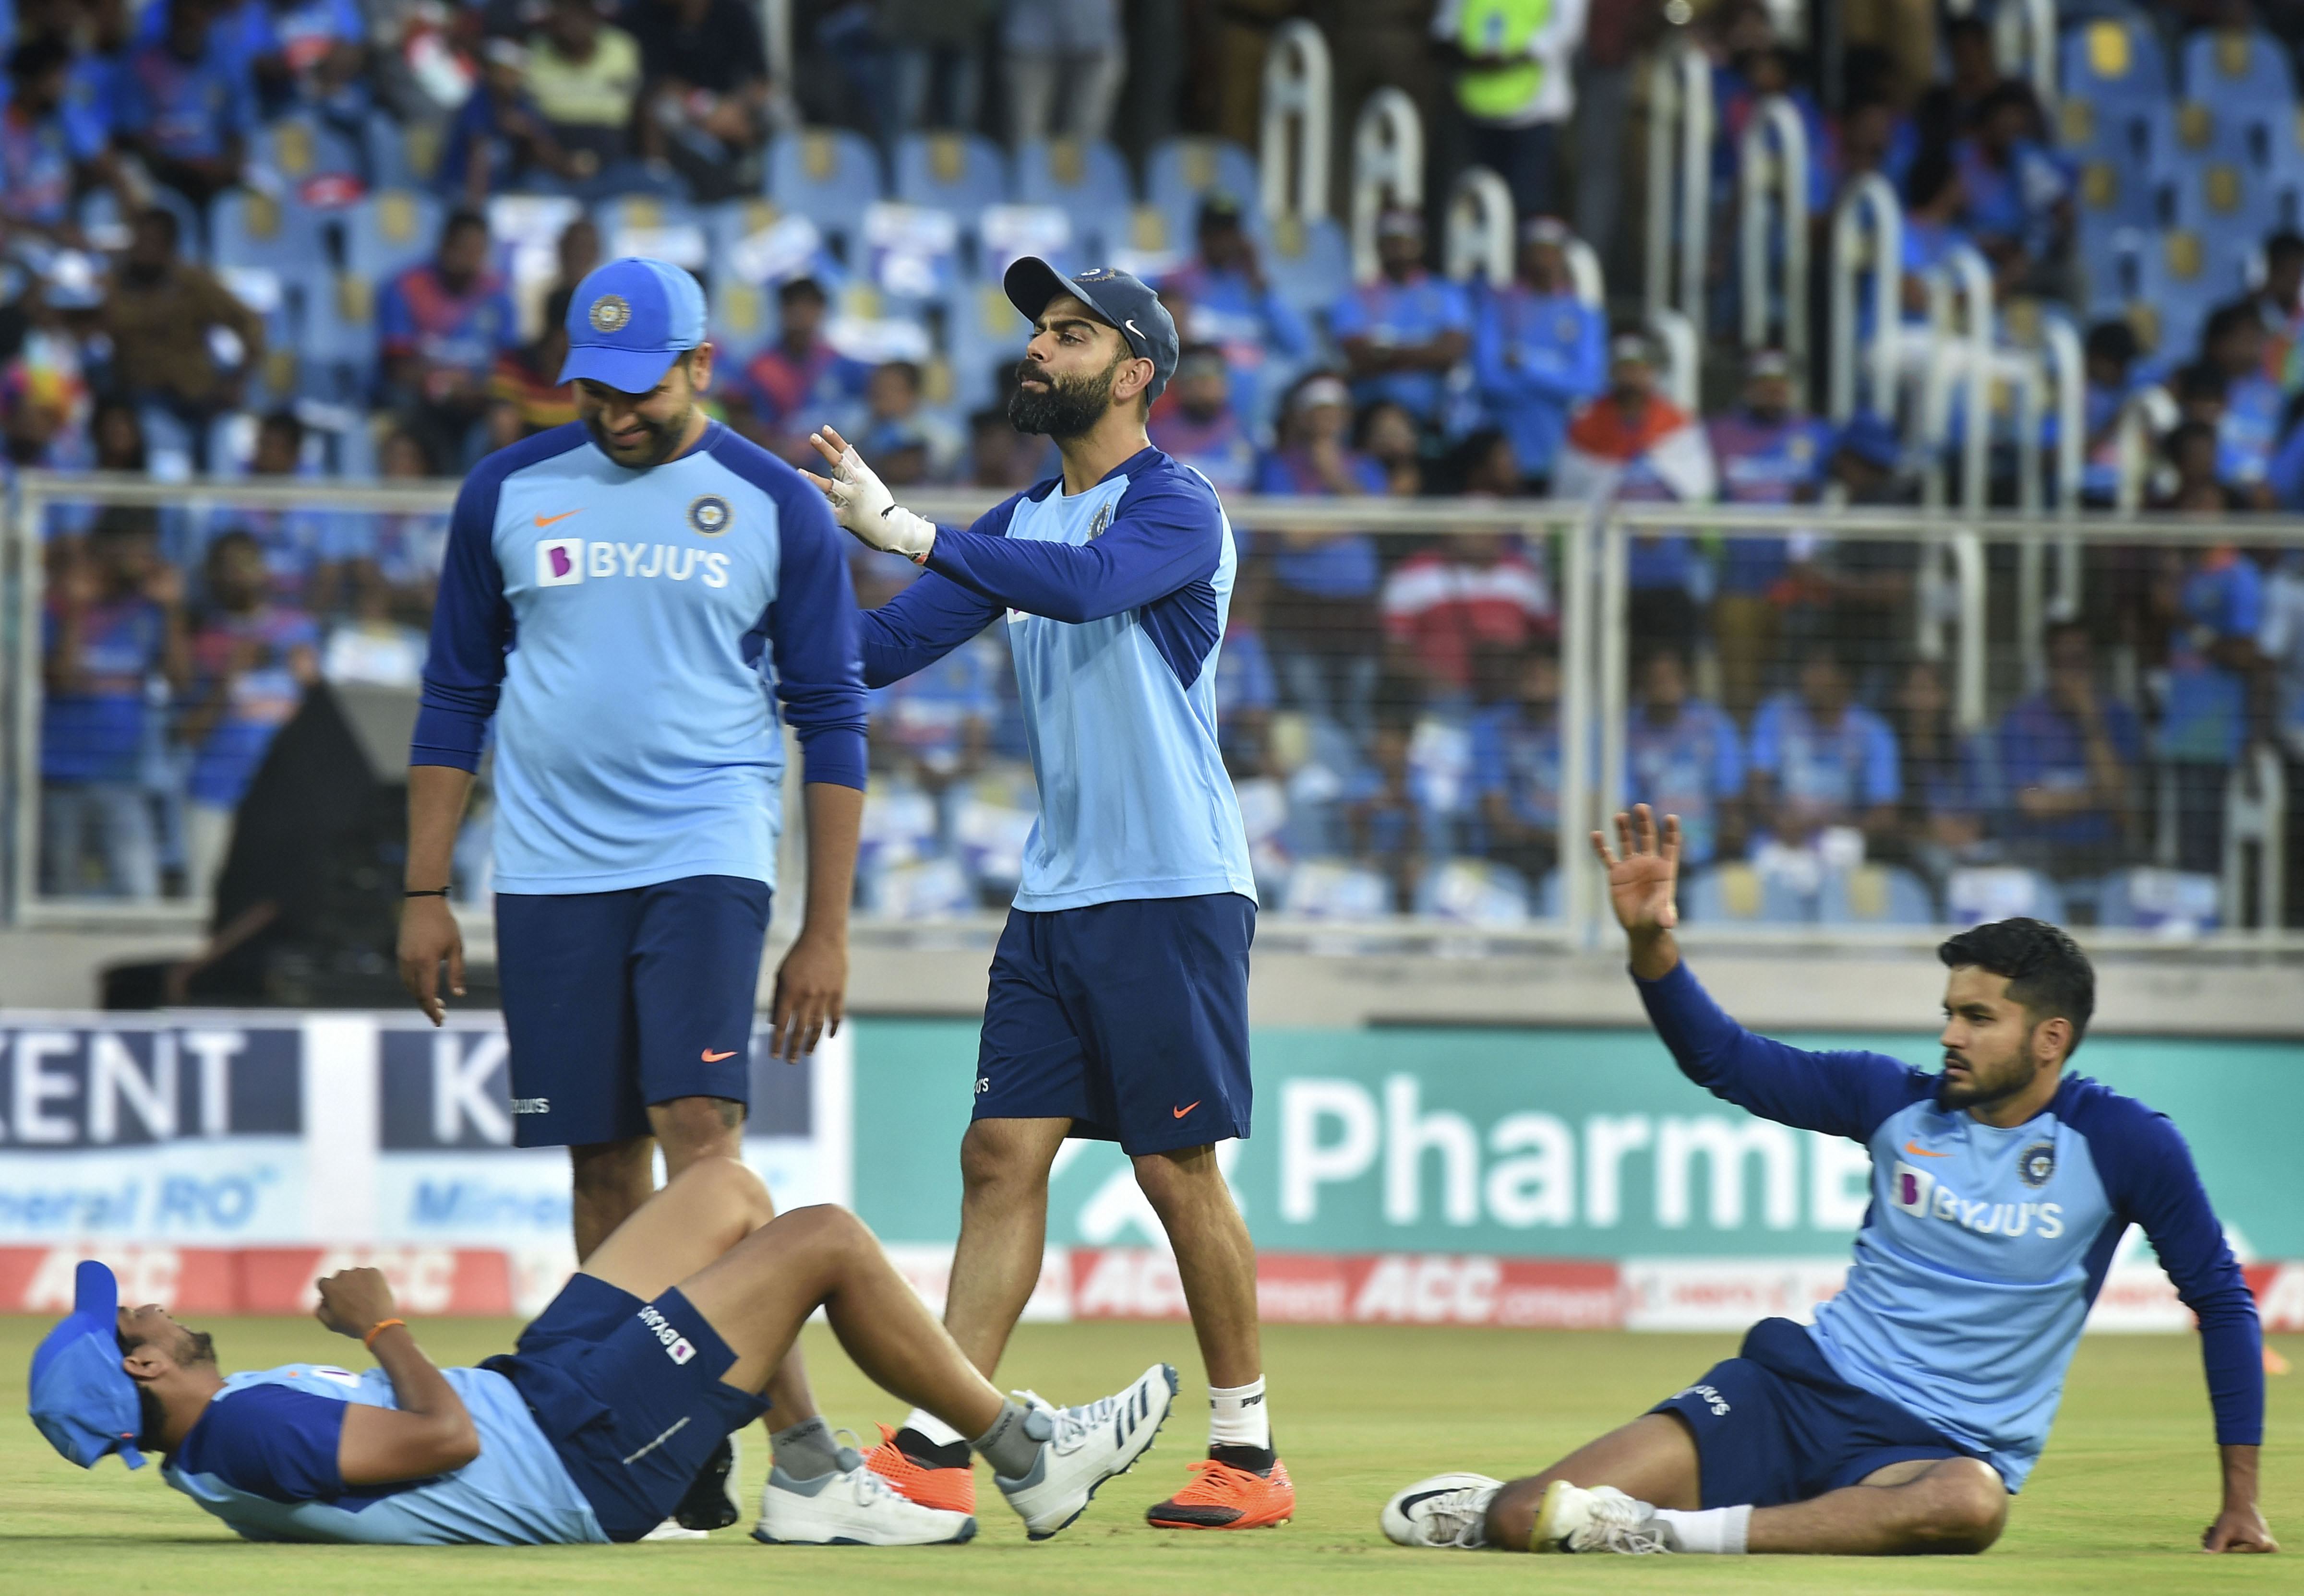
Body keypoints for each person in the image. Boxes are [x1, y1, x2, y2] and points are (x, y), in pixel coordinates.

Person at [1385, 815, 2273, 1558]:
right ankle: (1504, 1504)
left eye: (1977, 1017)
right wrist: (1652, 942)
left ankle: (1658, 1535)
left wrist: (2241, 1500)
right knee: (1516, 1519)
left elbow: (2222, 1302)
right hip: (1793, 1393)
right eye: (1948, 1013)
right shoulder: (1890, 1099)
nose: (1951, 1036)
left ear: (2050, 1039)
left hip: (1935, 1452)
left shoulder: (2126, 1144)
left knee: (1973, 1507)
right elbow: (1724, 1061)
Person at [395, 257, 891, 1539]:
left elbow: (832, 717)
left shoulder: (774, 500)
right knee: (602, 1160)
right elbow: (457, 693)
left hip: (707, 851)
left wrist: (824, 927)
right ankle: (661, 1456)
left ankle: (804, 1455)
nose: (615, 412)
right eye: (592, 388)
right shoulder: (504, 490)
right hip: (550, 872)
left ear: (700, 366)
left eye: (638, 387)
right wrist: (424, 887)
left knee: (701, 1141)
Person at [800, 257, 1294, 1532]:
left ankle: (1247, 1452)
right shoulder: (1021, 520)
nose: (1039, 349)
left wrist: (907, 528)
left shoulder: (1178, 505)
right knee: (998, 1153)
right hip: (1064, 890)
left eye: (1069, 334)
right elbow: (878, 650)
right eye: (1036, 332)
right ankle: (931, 1444)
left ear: (1135, 374)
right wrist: (761, 597)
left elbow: (1083, 587)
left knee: (1177, 1165)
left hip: (1174, 882)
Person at [29, 1162, 1177, 1545]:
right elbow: (445, 1437)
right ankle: (1026, 1455)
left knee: (726, 1187)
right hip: (581, 1452)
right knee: (820, 1239)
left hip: (544, 1394)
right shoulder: (242, 1428)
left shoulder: (224, 1433)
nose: (153, 1308)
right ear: (141, 1372)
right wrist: (381, 1323)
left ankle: (811, 1475)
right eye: (134, 1320)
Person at [40, 512, 186, 901]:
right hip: (60, 778)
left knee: (139, 893)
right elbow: (62, 681)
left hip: (125, 779)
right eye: (136, 549)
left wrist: (172, 611)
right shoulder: (58, 608)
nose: (145, 559)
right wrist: (75, 611)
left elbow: (179, 680)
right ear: (105, 550)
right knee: (62, 895)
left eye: (149, 549)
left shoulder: (149, 612)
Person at [1553, 332, 1717, 652]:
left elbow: (1699, 494)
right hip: (1605, 574)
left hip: (1670, 573)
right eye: (1624, 368)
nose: (1632, 376)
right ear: (1612, 372)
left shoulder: (1679, 426)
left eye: (1639, 368)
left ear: (1653, 373)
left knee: (1670, 662)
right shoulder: (1585, 428)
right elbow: (1570, 497)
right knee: (1610, 660)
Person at [180, 528, 319, 896]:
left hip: (284, 795)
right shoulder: (204, 638)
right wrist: (228, 681)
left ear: (264, 569)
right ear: (212, 575)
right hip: (215, 792)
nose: (237, 575)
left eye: (246, 564)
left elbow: (322, 717)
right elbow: (188, 732)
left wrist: (310, 683)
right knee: (205, 902)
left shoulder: (298, 630)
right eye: (226, 567)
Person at [1254, 372, 1386, 738]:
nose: (1327, 419)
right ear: (1302, 417)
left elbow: (1381, 520)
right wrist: (1354, 519)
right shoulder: (1279, 467)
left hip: (1358, 609)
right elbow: (1293, 536)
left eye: (1334, 411)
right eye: (1318, 411)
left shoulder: (1365, 467)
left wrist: (1334, 474)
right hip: (1300, 607)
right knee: (1310, 708)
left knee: (1357, 707)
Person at [1707, 349, 1834, 720]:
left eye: (1781, 384)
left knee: (1796, 684)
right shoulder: (1717, 433)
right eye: (1764, 384)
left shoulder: (1816, 433)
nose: (1773, 391)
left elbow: (1826, 502)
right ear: (1748, 388)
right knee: (1741, 687)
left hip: (1800, 584)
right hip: (1737, 580)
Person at [98, 205, 265, 460]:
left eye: (153, 242)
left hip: (197, 397)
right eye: (139, 241)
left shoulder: (193, 284)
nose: (143, 250)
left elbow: (249, 323)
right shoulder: (114, 285)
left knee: (222, 444)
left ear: (170, 247)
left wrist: (238, 381)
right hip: (140, 398)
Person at [1994, 620, 2142, 881]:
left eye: (2079, 660)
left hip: (2103, 847)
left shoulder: (2118, 717)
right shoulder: (2023, 719)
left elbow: (2121, 796)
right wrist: (2099, 798)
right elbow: (2032, 803)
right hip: (2041, 847)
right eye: (2061, 661)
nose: (2071, 672)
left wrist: (2090, 720)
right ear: (2048, 665)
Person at [379, 208, 521, 473]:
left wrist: (476, 391)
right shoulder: (406, 288)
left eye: (478, 250)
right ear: (445, 245)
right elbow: (397, 367)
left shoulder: (498, 296)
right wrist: (442, 386)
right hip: (420, 401)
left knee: (506, 418)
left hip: (477, 401)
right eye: (464, 248)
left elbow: (508, 367)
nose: (470, 259)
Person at [1160, 195, 1315, 435]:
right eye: (1214, 233)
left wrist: (1258, 280)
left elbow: (1299, 345)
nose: (1222, 241)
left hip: (1249, 428)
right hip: (1193, 423)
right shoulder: (1177, 283)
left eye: (1229, 233)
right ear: (1200, 235)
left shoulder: (1254, 289)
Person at [1470, 216, 1606, 489]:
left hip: (1563, 447)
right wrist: (1557, 375)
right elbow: (1489, 380)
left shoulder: (1584, 316)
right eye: (1536, 249)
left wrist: (1525, 362)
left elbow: (1588, 384)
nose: (1543, 258)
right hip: (1503, 445)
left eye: (1551, 249)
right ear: (1523, 254)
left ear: (1563, 256)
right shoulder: (1496, 308)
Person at [1429, 0, 1589, 221]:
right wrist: (1470, 57)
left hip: (1536, 112)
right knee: (1475, 204)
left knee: (1529, 207)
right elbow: (1445, 26)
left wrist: (1514, 57)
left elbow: (1567, 30)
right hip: (1474, 107)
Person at [1745, 641, 1901, 850]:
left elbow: (1885, 813)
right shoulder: (1776, 714)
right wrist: (1778, 820)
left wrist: (1840, 828)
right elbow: (1757, 785)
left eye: (1819, 668)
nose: (1807, 677)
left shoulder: (1872, 731)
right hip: (1780, 840)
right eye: (1806, 668)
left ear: (1845, 678)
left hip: (1840, 846)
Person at [1381, 521, 1551, 706]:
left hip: (1512, 700)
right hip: (1442, 700)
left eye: (1487, 527)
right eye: (1472, 527)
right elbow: (1395, 650)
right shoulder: (1413, 573)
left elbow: (1548, 638)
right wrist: (1437, 683)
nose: (1480, 535)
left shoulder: (1523, 572)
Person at [1331, 209, 1473, 429]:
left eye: (1406, 241)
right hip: (1371, 416)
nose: (1398, 248)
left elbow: (1451, 351)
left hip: (1434, 416)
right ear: (1378, 245)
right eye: (1391, 241)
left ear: (1420, 245)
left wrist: (1385, 352)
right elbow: (1358, 356)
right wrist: (1426, 353)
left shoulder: (1446, 293)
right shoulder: (1355, 296)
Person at [624, 0, 771, 201]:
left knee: (777, 110)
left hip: (733, 105)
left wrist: (735, 110)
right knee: (660, 111)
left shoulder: (734, 9)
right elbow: (656, 83)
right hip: (685, 104)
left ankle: (775, 192)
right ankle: (665, 190)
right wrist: (707, 109)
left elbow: (760, 78)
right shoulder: (647, 14)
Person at [727, 276, 874, 465]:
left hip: (831, 465)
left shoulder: (839, 364)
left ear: (822, 310)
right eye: (793, 304)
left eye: (810, 305)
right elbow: (743, 421)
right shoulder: (761, 369)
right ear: (782, 310)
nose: (801, 313)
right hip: (779, 462)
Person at [117, 0, 247, 207]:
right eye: (182, 21)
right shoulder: (144, 62)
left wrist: (230, 168)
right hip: (162, 180)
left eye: (196, 22)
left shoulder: (227, 62)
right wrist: (185, 171)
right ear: (170, 18)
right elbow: (136, 136)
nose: (188, 30)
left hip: (215, 179)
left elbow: (239, 128)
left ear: (209, 20)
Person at [1623, 645, 1742, 870]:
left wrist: (1720, 842)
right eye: (1655, 678)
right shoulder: (1628, 731)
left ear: (1686, 681)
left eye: (1670, 677)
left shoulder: (1714, 725)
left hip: (1708, 852)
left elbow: (1730, 798)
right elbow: (1624, 803)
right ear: (1643, 684)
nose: (1663, 685)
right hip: (1649, 851)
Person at [526, 0, 646, 189]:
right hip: (552, 156)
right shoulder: (535, 49)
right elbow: (528, 114)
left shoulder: (621, 47)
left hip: (613, 153)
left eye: (581, 16)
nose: (572, 25)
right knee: (532, 187)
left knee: (656, 189)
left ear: (595, 18)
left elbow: (630, 105)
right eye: (565, 16)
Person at [1470, 646, 1561, 886]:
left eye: (1544, 673)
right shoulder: (1492, 726)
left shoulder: (1584, 727)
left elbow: (1595, 803)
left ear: (1562, 679)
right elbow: (1495, 810)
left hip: (1570, 854)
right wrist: (1547, 836)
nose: (1535, 680)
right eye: (1528, 673)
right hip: (1513, 850)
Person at [1148, 343, 1257, 496]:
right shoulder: (1155, 438)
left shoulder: (1248, 438)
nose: (1204, 388)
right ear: (1180, 385)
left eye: (1211, 379)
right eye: (1195, 379)